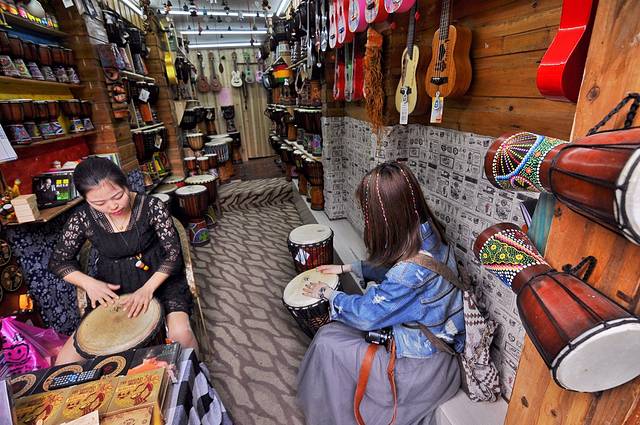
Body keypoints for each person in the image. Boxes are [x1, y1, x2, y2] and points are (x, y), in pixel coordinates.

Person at [297, 161, 464, 425]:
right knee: (335, 335)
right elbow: (399, 270)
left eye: (369, 214)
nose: (367, 220)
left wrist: (327, 293)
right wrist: (349, 267)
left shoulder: (409, 272)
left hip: (420, 370)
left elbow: (366, 315)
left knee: (327, 343)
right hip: (434, 350)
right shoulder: (429, 233)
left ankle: (331, 414)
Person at [49, 157, 197, 364]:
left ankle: (196, 376)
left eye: (117, 196)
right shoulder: (82, 218)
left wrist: (147, 289)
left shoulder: (151, 206)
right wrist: (89, 284)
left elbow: (173, 255)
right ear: (85, 199)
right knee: (66, 361)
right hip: (114, 289)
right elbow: (59, 261)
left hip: (159, 279)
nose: (112, 206)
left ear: (125, 184)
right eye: (99, 203)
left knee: (181, 334)